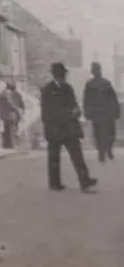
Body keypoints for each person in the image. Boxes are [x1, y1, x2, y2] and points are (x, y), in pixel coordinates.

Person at [41, 62, 97, 192]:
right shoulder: (47, 90)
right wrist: (66, 114)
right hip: (55, 129)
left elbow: (74, 104)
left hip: (69, 128)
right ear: (55, 75)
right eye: (60, 74)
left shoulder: (68, 88)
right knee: (54, 158)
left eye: (63, 74)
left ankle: (85, 181)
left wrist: (76, 111)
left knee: (77, 156)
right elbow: (47, 111)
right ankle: (54, 183)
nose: (62, 77)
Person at [83, 62, 120, 162]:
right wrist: (87, 112)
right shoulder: (90, 84)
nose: (96, 72)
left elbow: (113, 98)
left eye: (97, 70)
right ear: (93, 72)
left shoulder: (106, 83)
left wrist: (116, 111)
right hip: (98, 113)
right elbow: (86, 99)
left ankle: (108, 149)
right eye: (94, 70)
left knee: (110, 133)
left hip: (107, 113)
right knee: (99, 134)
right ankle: (101, 152)